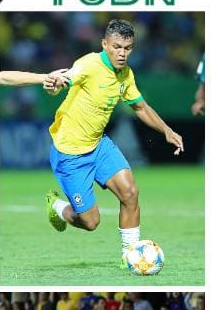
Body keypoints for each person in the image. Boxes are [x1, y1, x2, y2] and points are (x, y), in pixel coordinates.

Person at [41, 19, 185, 266]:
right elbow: (63, 80)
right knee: (90, 222)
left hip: (99, 145)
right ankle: (57, 206)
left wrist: (166, 130)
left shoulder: (126, 74)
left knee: (130, 193)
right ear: (104, 44)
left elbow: (139, 106)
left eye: (127, 48)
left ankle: (130, 255)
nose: (122, 53)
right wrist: (53, 85)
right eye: (117, 47)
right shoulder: (88, 64)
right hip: (70, 154)